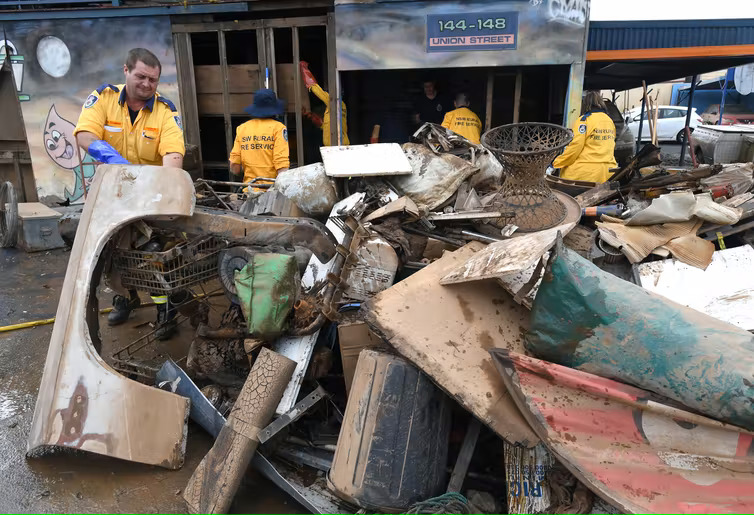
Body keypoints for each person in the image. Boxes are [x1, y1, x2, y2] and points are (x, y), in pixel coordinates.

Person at [74, 47, 186, 339]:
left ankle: (165, 309)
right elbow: (84, 134)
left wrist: (165, 190)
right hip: (113, 193)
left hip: (150, 195)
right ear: (126, 71)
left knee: (154, 253)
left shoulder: (165, 110)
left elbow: (173, 154)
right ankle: (125, 297)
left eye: (153, 80)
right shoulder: (104, 98)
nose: (147, 84)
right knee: (113, 252)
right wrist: (115, 160)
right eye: (141, 77)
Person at [229, 88, 289, 186]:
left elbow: (235, 168)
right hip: (271, 190)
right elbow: (281, 165)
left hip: (249, 189)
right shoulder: (278, 128)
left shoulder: (242, 128)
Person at [553, 91, 617, 183]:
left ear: (585, 104)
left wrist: (557, 163)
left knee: (565, 173)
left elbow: (575, 147)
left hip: (586, 173)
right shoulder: (609, 121)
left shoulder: (584, 120)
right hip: (608, 172)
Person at [299, 61, 349, 146]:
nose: (328, 94)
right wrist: (320, 123)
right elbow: (332, 125)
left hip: (338, 148)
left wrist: (304, 69)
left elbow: (316, 89)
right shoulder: (336, 106)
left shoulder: (334, 102)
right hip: (335, 147)